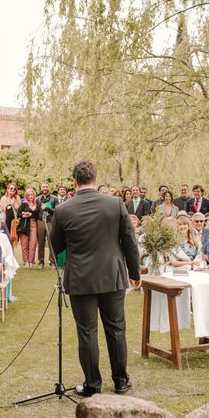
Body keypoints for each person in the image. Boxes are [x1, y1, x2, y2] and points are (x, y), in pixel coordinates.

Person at [50, 160, 140, 397]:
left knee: (87, 332)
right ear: (95, 179)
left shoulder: (63, 209)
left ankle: (93, 384)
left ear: (74, 181)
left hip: (81, 278)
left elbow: (54, 246)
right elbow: (129, 242)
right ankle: (121, 381)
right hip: (112, 276)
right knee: (116, 329)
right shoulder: (115, 203)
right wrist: (135, 273)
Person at [36, 182, 58, 269]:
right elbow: (36, 211)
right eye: (43, 187)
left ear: (49, 188)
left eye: (46, 187)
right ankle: (41, 262)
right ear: (41, 188)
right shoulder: (37, 199)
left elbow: (56, 210)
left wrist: (47, 208)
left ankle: (52, 262)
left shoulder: (54, 198)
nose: (45, 188)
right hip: (40, 221)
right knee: (41, 242)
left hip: (50, 222)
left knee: (51, 242)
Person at [16, 188, 38, 268]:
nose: (30, 196)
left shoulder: (36, 204)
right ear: (26, 196)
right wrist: (24, 214)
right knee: (24, 244)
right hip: (24, 225)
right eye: (28, 195)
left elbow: (37, 215)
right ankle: (26, 262)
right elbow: (18, 214)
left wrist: (30, 215)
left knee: (33, 244)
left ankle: (31, 261)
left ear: (34, 195)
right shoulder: (23, 204)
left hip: (33, 224)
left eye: (32, 194)